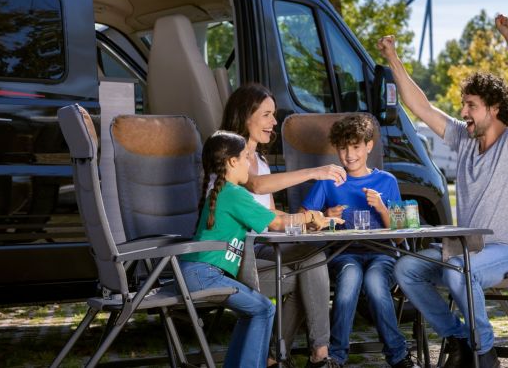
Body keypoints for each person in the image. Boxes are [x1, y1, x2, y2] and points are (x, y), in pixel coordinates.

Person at [379, 14, 508, 368]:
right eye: (463, 104)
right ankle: (459, 337)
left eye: (471, 106)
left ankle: (484, 352)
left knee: (457, 270)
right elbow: (420, 106)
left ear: (494, 109)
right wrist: (393, 59)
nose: (462, 111)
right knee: (407, 269)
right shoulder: (465, 140)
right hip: (466, 253)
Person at [180, 131, 338, 368]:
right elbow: (276, 224)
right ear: (232, 161)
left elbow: (273, 217)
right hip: (204, 276)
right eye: (245, 157)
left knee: (292, 283)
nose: (249, 164)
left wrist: (308, 219)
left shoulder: (226, 192)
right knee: (264, 309)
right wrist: (311, 217)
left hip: (203, 274)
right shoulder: (233, 193)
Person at [220, 83, 344, 368]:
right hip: (236, 254)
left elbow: (274, 219)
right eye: (267, 115)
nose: (274, 122)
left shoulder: (260, 159)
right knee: (306, 274)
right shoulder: (229, 155)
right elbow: (256, 184)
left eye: (273, 115)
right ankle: (278, 357)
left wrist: (313, 222)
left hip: (262, 248)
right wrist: (316, 172)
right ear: (245, 115)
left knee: (312, 258)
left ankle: (315, 356)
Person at [300, 114, 420, 368]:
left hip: (383, 256)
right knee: (350, 279)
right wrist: (324, 217)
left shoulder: (387, 181)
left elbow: (400, 236)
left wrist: (381, 208)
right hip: (343, 255)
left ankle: (398, 356)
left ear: (369, 146)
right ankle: (336, 357)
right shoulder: (329, 182)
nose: (349, 154)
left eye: (355, 146)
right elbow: (302, 219)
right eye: (343, 148)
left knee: (376, 284)